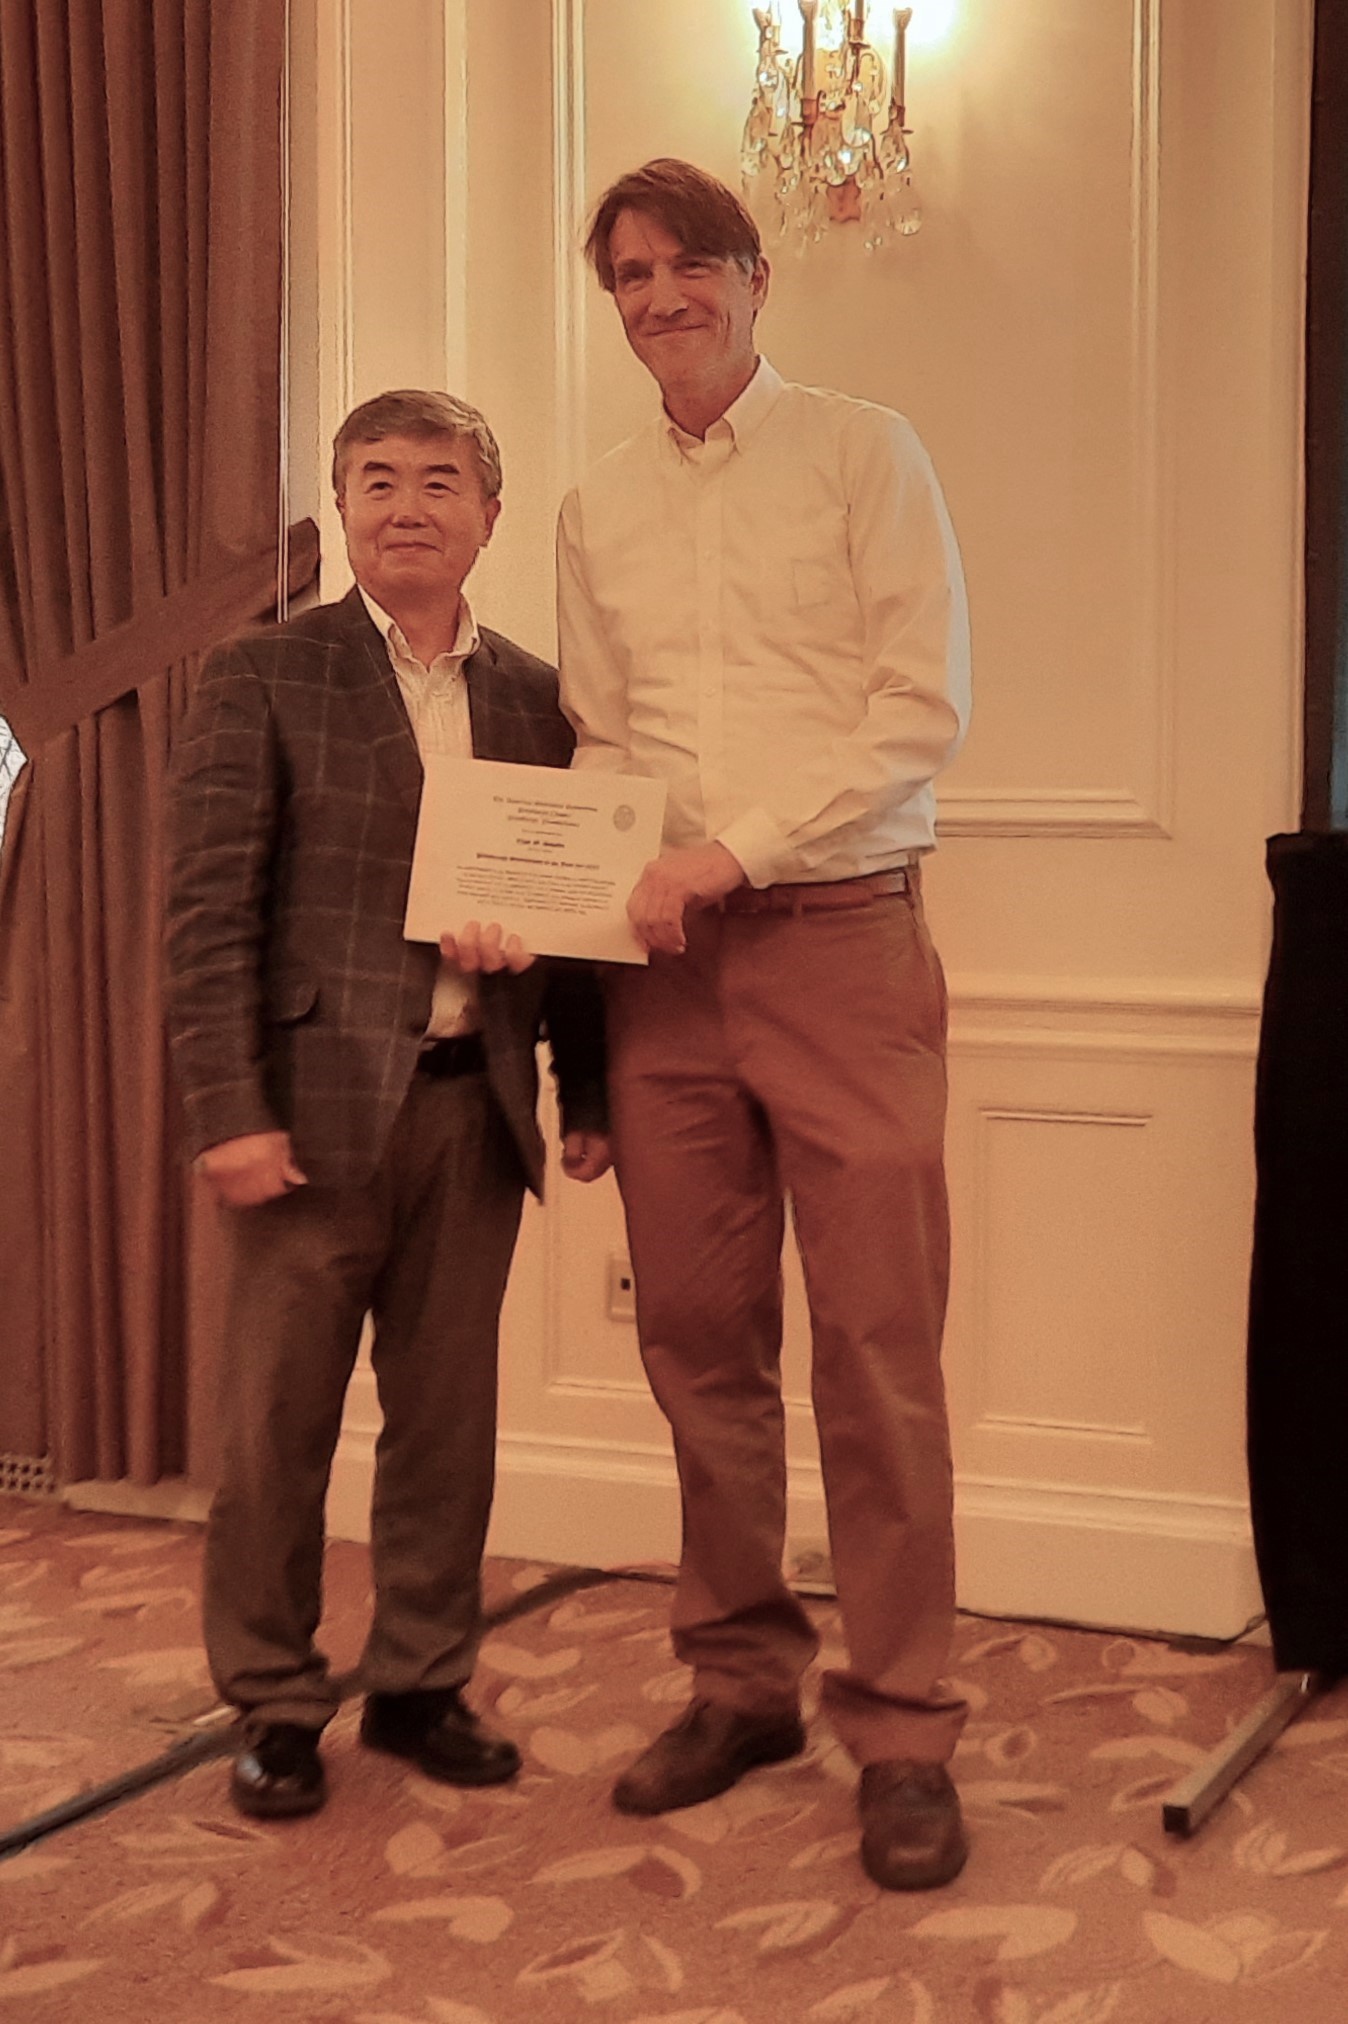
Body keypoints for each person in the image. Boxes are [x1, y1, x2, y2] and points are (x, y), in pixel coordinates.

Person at [556, 160, 972, 1891]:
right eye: (629, 275)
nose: (661, 297)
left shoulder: (868, 454)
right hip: (661, 976)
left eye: (689, 266)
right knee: (698, 1344)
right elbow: (600, 740)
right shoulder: (594, 506)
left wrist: (729, 852)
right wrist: (564, 889)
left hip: (840, 946)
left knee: (877, 1345)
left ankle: (905, 1725)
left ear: (754, 277)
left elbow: (917, 709)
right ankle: (742, 1687)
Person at [165, 389, 610, 1820]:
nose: (407, 505)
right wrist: (227, 1110)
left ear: (489, 513)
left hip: (471, 1115)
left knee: (445, 1428)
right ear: (344, 508)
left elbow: (572, 913)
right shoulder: (263, 672)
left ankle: (423, 1681)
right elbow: (208, 915)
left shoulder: (541, 698)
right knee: (275, 1431)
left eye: (438, 480)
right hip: (305, 1119)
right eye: (377, 479)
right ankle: (276, 1699)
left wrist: (587, 1089)